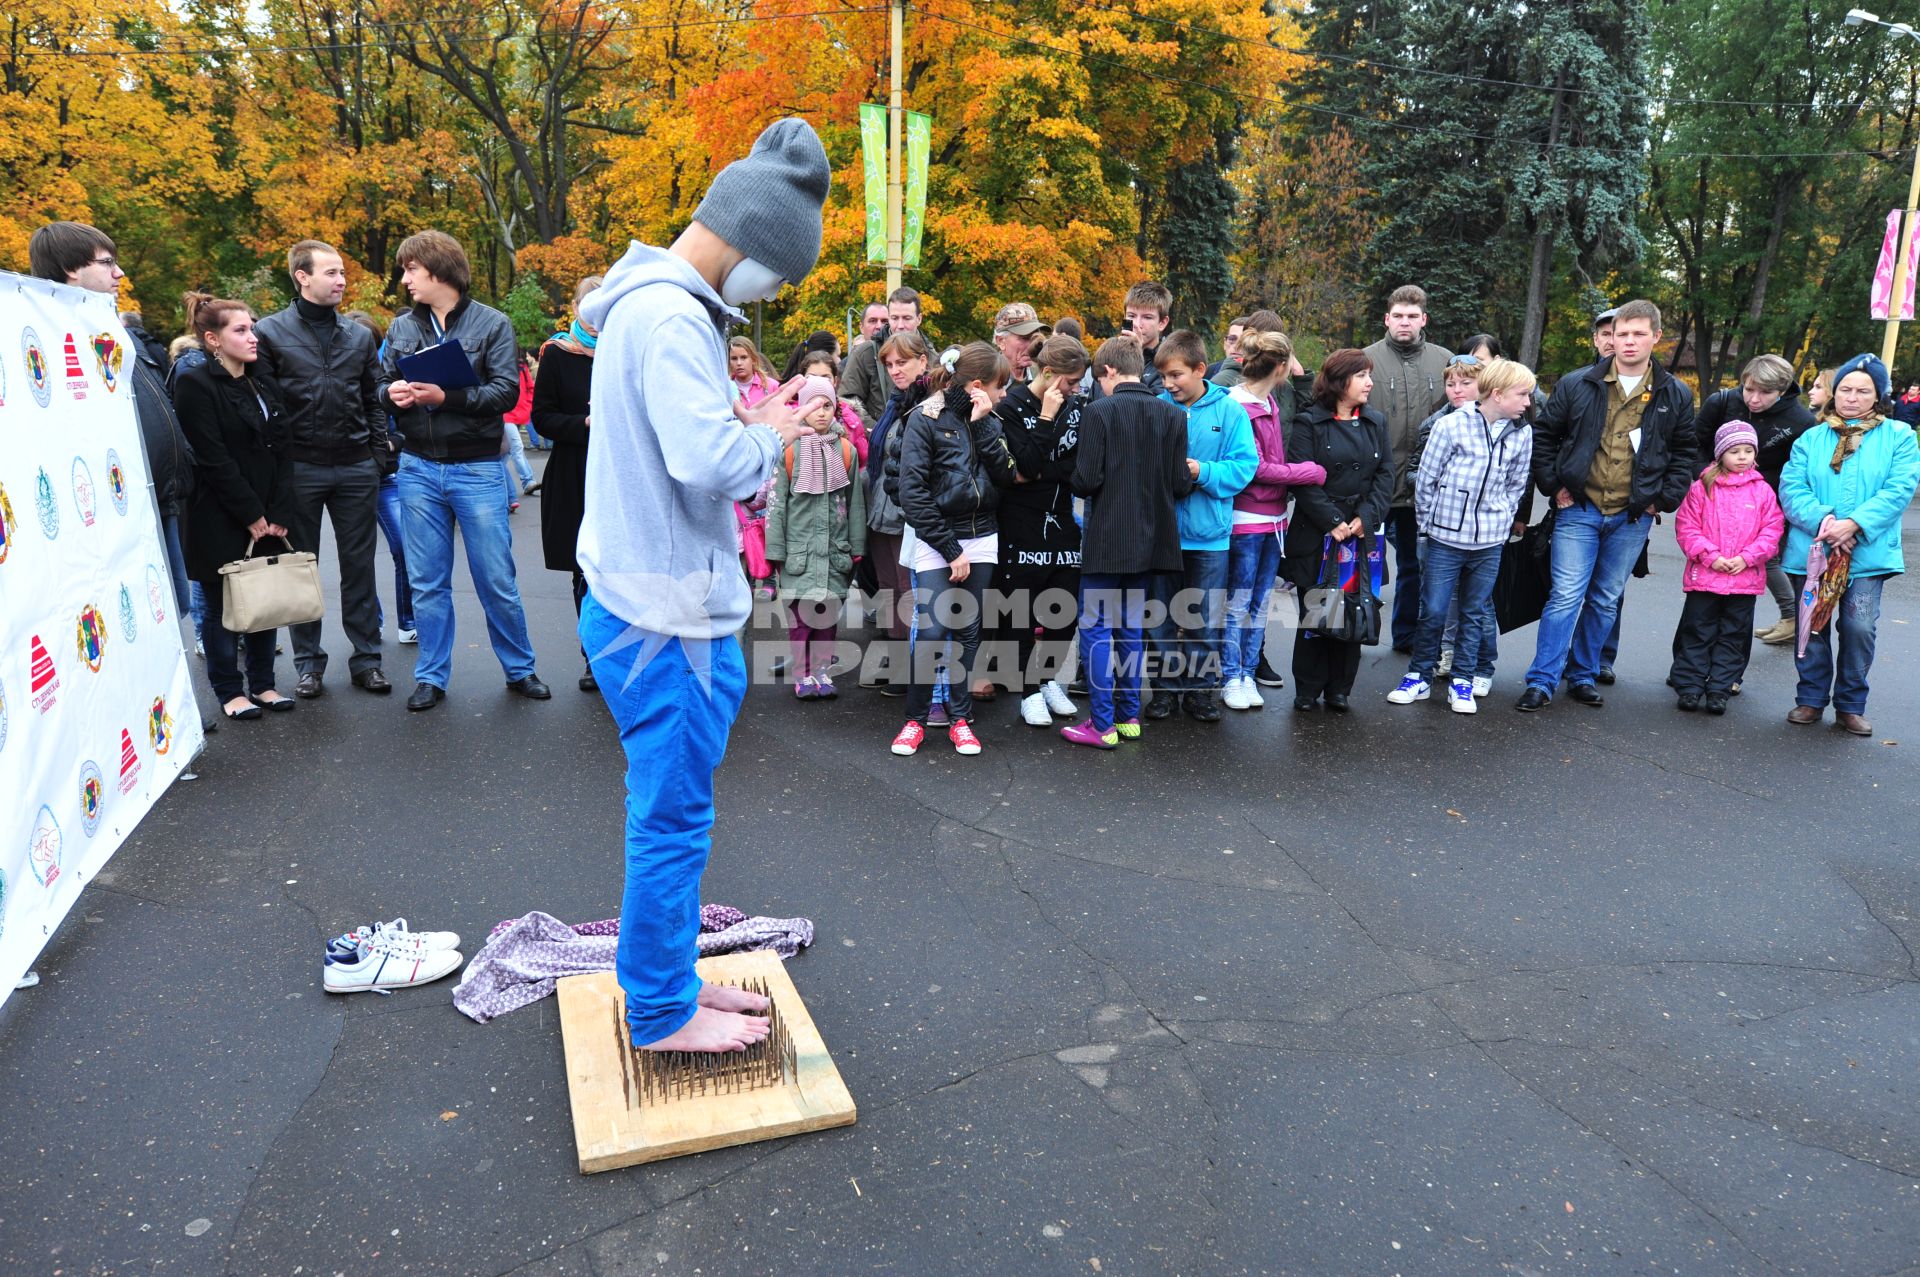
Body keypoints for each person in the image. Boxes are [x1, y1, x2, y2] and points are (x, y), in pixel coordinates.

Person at [575, 116, 823, 1054]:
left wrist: (753, 414)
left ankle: (667, 982)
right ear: (754, 243)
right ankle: (660, 1012)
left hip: (652, 601)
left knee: (674, 816)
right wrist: (779, 433)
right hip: (665, 617)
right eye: (782, 274)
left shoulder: (647, 305)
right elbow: (707, 459)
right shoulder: (674, 315)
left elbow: (679, 442)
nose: (775, 296)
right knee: (672, 825)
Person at [381, 229, 549, 711]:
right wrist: (388, 394)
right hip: (417, 467)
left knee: (496, 577)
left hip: (476, 468)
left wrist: (445, 397)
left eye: (411, 269)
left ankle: (520, 669)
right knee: (426, 580)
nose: (405, 278)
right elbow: (379, 382)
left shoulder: (492, 324)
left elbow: (506, 394)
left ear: (437, 269)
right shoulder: (400, 327)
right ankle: (431, 676)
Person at [1517, 299, 1695, 712]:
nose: (1628, 342)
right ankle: (1542, 680)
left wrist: (1662, 499)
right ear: (1609, 338)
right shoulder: (1578, 383)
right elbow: (1544, 436)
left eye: (1637, 334)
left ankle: (1582, 674)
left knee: (1605, 598)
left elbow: (1685, 451)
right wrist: (1555, 486)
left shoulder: (1675, 393)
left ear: (1656, 337)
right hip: (1579, 508)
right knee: (1564, 596)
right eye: (1621, 334)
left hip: (1632, 516)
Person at [29, 223, 198, 653]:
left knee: (168, 610)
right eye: (107, 263)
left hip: (162, 499)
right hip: (111, 517)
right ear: (70, 269)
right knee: (128, 625)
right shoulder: (50, 339)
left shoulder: (111, 330)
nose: (120, 273)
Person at [253, 238, 395, 700]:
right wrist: (277, 471)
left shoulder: (357, 335)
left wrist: (378, 457)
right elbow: (265, 408)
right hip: (301, 469)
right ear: (302, 276)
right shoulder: (271, 332)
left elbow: (374, 398)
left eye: (342, 273)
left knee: (359, 568)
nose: (341, 281)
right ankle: (308, 665)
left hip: (356, 466)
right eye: (331, 273)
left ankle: (367, 660)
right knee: (302, 568)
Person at [888, 342, 1020, 756]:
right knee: (931, 631)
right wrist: (949, 549)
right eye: (1000, 387)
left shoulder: (990, 419)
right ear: (979, 384)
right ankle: (915, 720)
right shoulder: (924, 419)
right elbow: (911, 494)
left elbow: (1006, 475)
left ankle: (960, 719)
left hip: (982, 537)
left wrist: (983, 426)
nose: (1003, 396)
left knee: (967, 631)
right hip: (937, 538)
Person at [1779, 353, 1920, 735]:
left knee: (1859, 627)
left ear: (1878, 396)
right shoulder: (1811, 437)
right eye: (1845, 389)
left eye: (1862, 391)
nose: (1852, 398)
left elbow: (1900, 488)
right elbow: (1792, 488)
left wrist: (1854, 524)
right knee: (1813, 625)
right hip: (1814, 548)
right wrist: (1825, 522)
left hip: (1867, 552)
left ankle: (1851, 704)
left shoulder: (1899, 437)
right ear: (1834, 392)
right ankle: (1809, 699)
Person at [172, 293, 297, 721]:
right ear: (213, 339)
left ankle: (263, 683)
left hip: (270, 513)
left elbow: (283, 445)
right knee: (224, 604)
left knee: (266, 597)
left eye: (253, 328)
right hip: (220, 513)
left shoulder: (262, 376)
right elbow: (212, 457)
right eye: (240, 330)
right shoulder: (195, 384)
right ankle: (229, 689)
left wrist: (277, 511)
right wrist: (251, 514)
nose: (253, 337)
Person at [1066, 335, 1193, 747]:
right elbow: (1179, 483)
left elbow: (1086, 481)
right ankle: (1128, 718)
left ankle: (1101, 725)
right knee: (1130, 629)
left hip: (1107, 541)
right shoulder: (1171, 415)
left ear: (1108, 371)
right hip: (1153, 539)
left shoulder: (1098, 412)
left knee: (1098, 630)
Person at [1390, 358, 1536, 714]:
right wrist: (1429, 525)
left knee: (1473, 612)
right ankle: (1419, 677)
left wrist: (1501, 522)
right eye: (1522, 394)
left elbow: (1517, 484)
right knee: (1435, 610)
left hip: (1489, 543)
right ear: (1498, 394)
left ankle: (1463, 681)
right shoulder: (1451, 426)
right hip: (1444, 539)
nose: (1529, 403)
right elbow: (1425, 480)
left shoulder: (1522, 432)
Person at [1146, 330, 1258, 722]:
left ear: (1198, 369)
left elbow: (1245, 466)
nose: (1168, 384)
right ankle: (1163, 692)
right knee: (1159, 618)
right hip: (1163, 536)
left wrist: (1203, 470)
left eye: (1176, 375)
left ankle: (1198, 693)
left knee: (1202, 621)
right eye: (1163, 377)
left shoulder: (1230, 411)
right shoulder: (1157, 407)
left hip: (1209, 537)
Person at [1221, 330, 1326, 710]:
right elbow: (1256, 469)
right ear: (1281, 367)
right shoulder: (1238, 406)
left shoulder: (1268, 402)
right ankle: (1231, 675)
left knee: (1261, 602)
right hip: (1246, 519)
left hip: (1275, 518)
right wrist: (1308, 472)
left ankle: (1247, 672)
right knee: (1239, 601)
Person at [1284, 349, 1393, 711]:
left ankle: (1340, 689)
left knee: (1355, 606)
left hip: (1361, 534)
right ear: (1339, 380)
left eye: (1369, 375)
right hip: (1320, 533)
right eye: (1362, 375)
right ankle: (1307, 689)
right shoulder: (1309, 423)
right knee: (1319, 608)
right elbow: (1301, 478)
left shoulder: (1375, 421)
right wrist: (1333, 522)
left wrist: (1366, 516)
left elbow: (1384, 476)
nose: (1370, 383)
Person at [992, 334, 1088, 727]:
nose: (1076, 389)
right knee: (1022, 610)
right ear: (1048, 374)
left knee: (1065, 609)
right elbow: (1024, 467)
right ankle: (1027, 690)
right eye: (1070, 382)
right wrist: (1047, 419)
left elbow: (1077, 469)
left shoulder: (1078, 407)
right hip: (1021, 524)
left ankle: (1046, 679)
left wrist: (1041, 471)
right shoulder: (1012, 406)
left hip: (1062, 520)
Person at [1688, 354, 1816, 648]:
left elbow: (1797, 470)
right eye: (1749, 389)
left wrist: (1760, 487)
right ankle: (1696, 654)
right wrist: (1706, 476)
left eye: (1765, 393)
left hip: (1762, 501)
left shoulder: (1801, 421)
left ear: (1782, 390)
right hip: (1713, 497)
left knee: (1760, 560)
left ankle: (1788, 618)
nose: (1754, 399)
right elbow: (1694, 444)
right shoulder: (1722, 403)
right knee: (1709, 565)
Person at [1667, 421, 1785, 714]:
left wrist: (1747, 557)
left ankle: (1720, 686)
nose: (1742, 457)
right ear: (1721, 454)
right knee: (1698, 631)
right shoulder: (1702, 487)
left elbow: (1772, 530)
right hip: (1706, 576)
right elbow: (1687, 527)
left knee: (1734, 634)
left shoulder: (1763, 491)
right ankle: (1690, 684)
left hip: (1744, 578)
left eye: (1748, 450)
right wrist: (1710, 556)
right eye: (1735, 451)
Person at [1363, 285, 1453, 653]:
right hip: (1374, 484)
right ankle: (1348, 632)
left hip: (1422, 487)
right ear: (1387, 319)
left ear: (1423, 320)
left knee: (1415, 567)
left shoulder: (1444, 361)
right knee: (1356, 563)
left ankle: (1407, 636)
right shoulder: (1365, 360)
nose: (1405, 322)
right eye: (1398, 316)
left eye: (1412, 316)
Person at [767, 376, 867, 699]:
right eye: (814, 406)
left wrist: (857, 547)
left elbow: (854, 505)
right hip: (800, 555)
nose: (822, 413)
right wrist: (775, 553)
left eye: (828, 406)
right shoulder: (789, 452)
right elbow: (777, 504)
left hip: (834, 553)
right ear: (802, 409)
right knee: (801, 621)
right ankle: (803, 674)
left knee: (826, 621)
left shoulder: (847, 451)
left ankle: (822, 672)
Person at [532, 275, 604, 692]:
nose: (595, 314)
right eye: (587, 304)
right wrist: (584, 423)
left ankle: (625, 650)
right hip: (575, 470)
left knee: (620, 569)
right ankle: (594, 657)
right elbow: (542, 418)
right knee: (584, 571)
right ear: (575, 307)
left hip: (621, 473)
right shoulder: (558, 353)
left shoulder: (626, 348)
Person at [859, 330, 937, 694]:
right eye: (889, 364)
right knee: (890, 588)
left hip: (907, 510)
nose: (894, 370)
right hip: (883, 506)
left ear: (923, 361)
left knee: (909, 590)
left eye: (902, 362)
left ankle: (914, 671)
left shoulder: (931, 401)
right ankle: (897, 662)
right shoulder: (898, 400)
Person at [841, 286, 925, 423]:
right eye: (894, 318)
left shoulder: (932, 356)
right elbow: (848, 404)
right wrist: (880, 433)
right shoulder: (865, 353)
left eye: (907, 318)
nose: (900, 325)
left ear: (919, 319)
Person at [501, 348, 538, 509]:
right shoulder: (508, 366)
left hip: (518, 413)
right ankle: (527, 481)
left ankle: (508, 496)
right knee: (516, 447)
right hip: (506, 415)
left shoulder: (521, 368)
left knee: (501, 458)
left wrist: (527, 406)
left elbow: (530, 388)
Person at [991, 302, 1049, 385]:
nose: (1032, 345)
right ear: (1000, 341)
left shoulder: (1042, 374)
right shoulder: (987, 378)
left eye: (1035, 337)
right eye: (1024, 338)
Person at [728, 336, 780, 406]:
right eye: (734, 358)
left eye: (744, 357)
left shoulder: (772, 385)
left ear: (753, 359)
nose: (739, 363)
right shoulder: (725, 389)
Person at [1208, 316, 1248, 381]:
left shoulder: (1262, 377)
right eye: (1232, 339)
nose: (1236, 346)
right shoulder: (1210, 371)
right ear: (1225, 343)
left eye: (1243, 341)